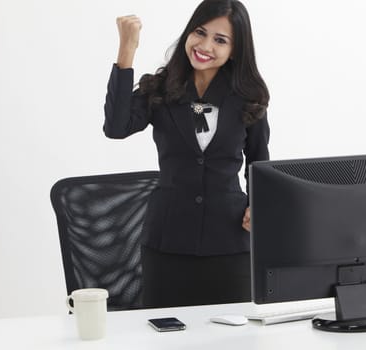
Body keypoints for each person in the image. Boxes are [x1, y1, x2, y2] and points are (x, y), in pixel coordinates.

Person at [104, 0, 270, 308]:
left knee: (233, 334)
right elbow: (116, 127)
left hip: (230, 242)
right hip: (168, 241)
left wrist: (258, 205)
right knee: (165, 332)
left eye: (220, 40)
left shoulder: (249, 98)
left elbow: (258, 161)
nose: (205, 45)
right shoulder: (161, 88)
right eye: (200, 32)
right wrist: (127, 50)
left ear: (235, 50)